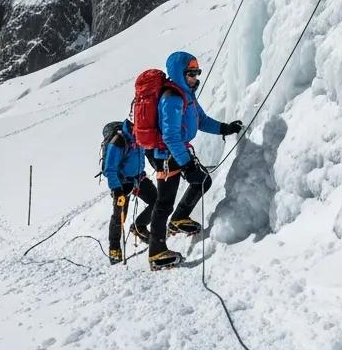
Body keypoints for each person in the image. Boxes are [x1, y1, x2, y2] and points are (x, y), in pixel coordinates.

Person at [148, 51, 243, 269]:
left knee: (202, 181)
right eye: (190, 73)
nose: (195, 77)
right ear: (180, 74)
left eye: (197, 72)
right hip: (167, 155)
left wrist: (224, 128)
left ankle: (179, 218)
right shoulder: (171, 98)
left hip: (178, 152)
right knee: (164, 202)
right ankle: (156, 252)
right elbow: (170, 136)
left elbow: (201, 120)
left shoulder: (186, 95)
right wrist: (187, 164)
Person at [101, 118, 156, 264]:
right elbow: (109, 169)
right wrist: (117, 190)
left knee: (156, 200)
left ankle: (140, 226)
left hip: (138, 178)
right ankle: (114, 249)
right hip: (121, 182)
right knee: (119, 217)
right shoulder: (119, 141)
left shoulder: (140, 137)